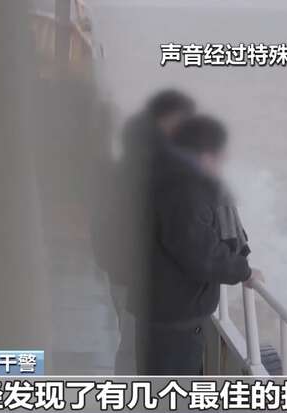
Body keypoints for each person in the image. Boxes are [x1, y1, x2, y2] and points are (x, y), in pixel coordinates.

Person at [135, 114, 258, 375]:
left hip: (161, 310)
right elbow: (201, 254)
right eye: (220, 153)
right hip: (173, 320)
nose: (224, 159)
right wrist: (244, 271)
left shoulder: (166, 179)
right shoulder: (186, 192)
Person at [90, 90, 195, 374]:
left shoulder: (114, 175)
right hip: (138, 279)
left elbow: (99, 227)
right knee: (133, 346)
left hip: (119, 275)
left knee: (130, 340)